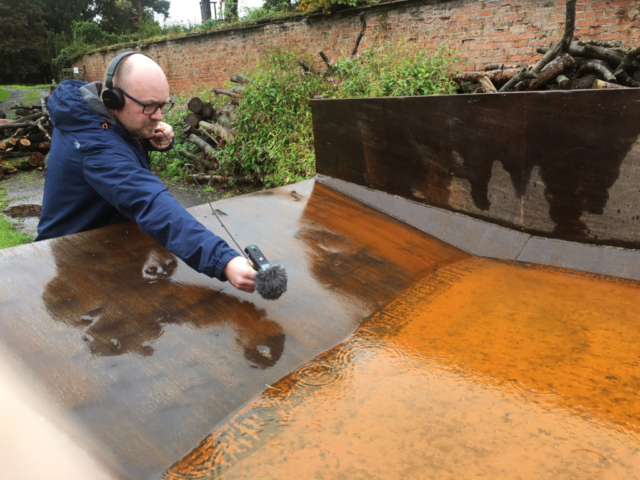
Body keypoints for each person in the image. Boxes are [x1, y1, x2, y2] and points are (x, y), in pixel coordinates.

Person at [37, 52, 255, 293]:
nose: (159, 116)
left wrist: (146, 139)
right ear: (114, 98)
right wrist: (224, 261)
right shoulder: (94, 147)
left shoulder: (86, 110)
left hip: (107, 243)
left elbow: (117, 140)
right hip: (74, 262)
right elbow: (150, 203)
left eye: (163, 106)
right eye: (150, 107)